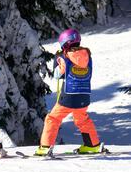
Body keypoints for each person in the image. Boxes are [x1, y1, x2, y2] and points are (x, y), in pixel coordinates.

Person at [35, 28, 102, 156]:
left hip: (69, 96)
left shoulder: (64, 57)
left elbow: (57, 75)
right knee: (82, 119)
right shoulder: (87, 56)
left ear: (65, 43)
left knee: (53, 118)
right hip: (84, 95)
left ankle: (45, 147)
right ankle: (92, 145)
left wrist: (59, 62)